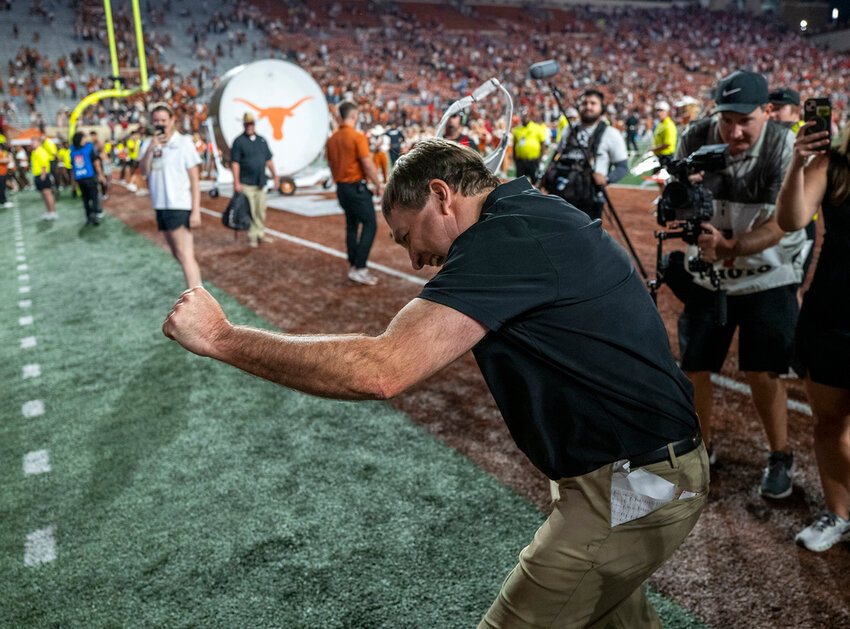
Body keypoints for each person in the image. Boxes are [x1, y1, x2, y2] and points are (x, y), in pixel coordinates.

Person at [162, 138, 708, 628]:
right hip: (641, 471)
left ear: (442, 195)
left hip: (634, 484)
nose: (416, 259)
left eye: (406, 236)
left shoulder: (505, 237)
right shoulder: (526, 214)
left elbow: (381, 370)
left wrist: (223, 338)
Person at [674, 70, 806, 498]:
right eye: (726, 119)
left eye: (744, 120)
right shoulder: (695, 136)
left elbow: (782, 225)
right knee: (695, 365)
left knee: (764, 370)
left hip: (769, 272)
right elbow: (678, 202)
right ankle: (701, 450)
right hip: (708, 273)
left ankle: (780, 454)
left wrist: (730, 245)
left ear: (767, 112)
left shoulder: (786, 145)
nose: (733, 131)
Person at [776, 122, 850, 551]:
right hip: (831, 315)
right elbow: (792, 219)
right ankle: (839, 513)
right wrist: (797, 163)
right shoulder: (833, 165)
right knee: (829, 422)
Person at [139, 103, 202, 288]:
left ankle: (197, 298)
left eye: (163, 120)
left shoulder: (183, 142)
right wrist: (151, 147)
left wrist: (195, 211)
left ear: (172, 120)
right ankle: (198, 292)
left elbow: (194, 179)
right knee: (178, 254)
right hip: (161, 204)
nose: (160, 124)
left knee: (185, 254)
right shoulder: (148, 144)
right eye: (156, 120)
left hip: (179, 204)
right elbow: (143, 171)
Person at [542, 89, 629, 220]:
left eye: (593, 103)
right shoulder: (568, 130)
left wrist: (606, 179)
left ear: (602, 108)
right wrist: (546, 175)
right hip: (560, 195)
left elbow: (622, 167)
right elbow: (556, 156)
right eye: (584, 103)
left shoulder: (611, 134)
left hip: (589, 199)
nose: (588, 107)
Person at [325, 100, 384, 286]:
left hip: (342, 188)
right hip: (357, 187)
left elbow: (332, 165)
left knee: (351, 225)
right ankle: (360, 267)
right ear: (354, 116)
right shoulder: (357, 137)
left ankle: (354, 265)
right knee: (370, 224)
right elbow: (367, 163)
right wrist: (379, 184)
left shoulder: (332, 139)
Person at [770, 87, 815, 298]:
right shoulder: (771, 137)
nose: (773, 114)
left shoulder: (807, 138)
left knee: (790, 286)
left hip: (801, 224)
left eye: (779, 109)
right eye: (770, 108)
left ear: (796, 112)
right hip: (773, 219)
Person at [230, 112, 277, 248]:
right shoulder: (239, 141)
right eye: (247, 123)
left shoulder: (261, 140)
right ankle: (252, 236)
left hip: (260, 182)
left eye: (251, 123)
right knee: (250, 210)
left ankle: (260, 234)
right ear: (244, 125)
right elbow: (235, 163)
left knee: (260, 209)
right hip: (246, 182)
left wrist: (275, 176)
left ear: (254, 125)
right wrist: (236, 182)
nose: (249, 126)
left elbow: (268, 159)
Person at [69, 131, 106, 225]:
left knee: (85, 199)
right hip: (90, 177)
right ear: (81, 139)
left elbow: (73, 167)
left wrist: (73, 184)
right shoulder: (89, 147)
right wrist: (101, 175)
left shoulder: (72, 150)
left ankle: (89, 217)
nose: (86, 139)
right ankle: (94, 217)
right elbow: (96, 162)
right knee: (93, 198)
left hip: (80, 179)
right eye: (84, 137)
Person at [511, 108, 548, 184]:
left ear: (529, 117)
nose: (525, 118)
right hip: (521, 161)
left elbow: (542, 143)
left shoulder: (536, 128)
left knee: (535, 182)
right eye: (523, 116)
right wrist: (515, 159)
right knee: (519, 183)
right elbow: (514, 145)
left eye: (526, 116)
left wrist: (540, 158)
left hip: (533, 160)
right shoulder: (517, 130)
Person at [31, 135, 56, 220]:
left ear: (39, 143)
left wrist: (43, 174)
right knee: (43, 194)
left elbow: (44, 164)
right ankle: (48, 211)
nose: (32, 144)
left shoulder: (41, 151)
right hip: (37, 174)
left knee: (47, 193)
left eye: (34, 142)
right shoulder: (34, 152)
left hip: (43, 175)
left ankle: (52, 212)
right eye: (32, 143)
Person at [650, 101, 677, 169]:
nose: (658, 113)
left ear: (667, 112)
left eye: (661, 110)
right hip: (659, 157)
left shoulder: (669, 125)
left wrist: (653, 149)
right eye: (657, 110)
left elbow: (667, 144)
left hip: (666, 157)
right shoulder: (660, 124)